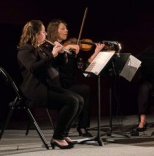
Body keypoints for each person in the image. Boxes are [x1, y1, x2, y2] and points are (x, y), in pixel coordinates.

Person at [17, 20, 84, 149]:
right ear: (36, 34)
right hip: (35, 90)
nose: (46, 34)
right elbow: (34, 68)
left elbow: (59, 63)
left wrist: (61, 52)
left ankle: (63, 133)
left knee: (79, 100)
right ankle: (57, 137)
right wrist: (53, 55)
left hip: (47, 87)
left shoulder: (42, 48)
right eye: (43, 31)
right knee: (71, 101)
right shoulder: (25, 49)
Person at [46, 19, 105, 137]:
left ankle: (82, 126)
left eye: (66, 28)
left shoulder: (71, 49)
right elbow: (51, 63)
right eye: (62, 28)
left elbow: (83, 67)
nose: (66, 30)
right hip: (57, 84)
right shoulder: (49, 47)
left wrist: (96, 52)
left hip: (69, 84)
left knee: (85, 89)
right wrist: (63, 48)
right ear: (54, 30)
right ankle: (70, 127)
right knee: (83, 91)